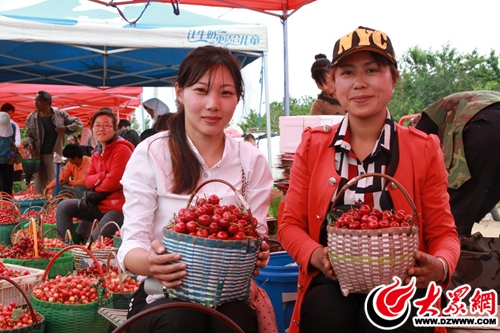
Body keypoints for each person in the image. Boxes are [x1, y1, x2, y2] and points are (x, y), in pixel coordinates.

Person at [277, 26, 461, 333]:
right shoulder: (312, 146)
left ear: (393, 78)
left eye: (372, 70)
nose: (360, 83)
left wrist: (440, 266)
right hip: (333, 281)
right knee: (325, 314)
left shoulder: (423, 148)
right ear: (333, 84)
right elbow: (289, 225)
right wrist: (316, 254)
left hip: (401, 283)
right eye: (347, 73)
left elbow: (444, 233)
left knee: (394, 319)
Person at [117, 45, 274, 333]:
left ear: (237, 99)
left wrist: (256, 253)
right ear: (179, 92)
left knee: (235, 321)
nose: (213, 104)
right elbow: (130, 246)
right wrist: (153, 264)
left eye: (226, 93)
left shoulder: (252, 162)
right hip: (159, 295)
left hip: (228, 297)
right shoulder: (151, 153)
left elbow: (255, 234)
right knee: (183, 319)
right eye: (201, 90)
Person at [412, 91, 500, 235]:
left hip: (486, 127)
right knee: (495, 187)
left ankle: (455, 248)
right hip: (488, 121)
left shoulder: (422, 124)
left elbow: (417, 165)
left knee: (459, 199)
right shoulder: (449, 108)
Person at [56, 108, 134, 242]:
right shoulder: (97, 152)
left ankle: (87, 255)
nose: (101, 129)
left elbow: (113, 183)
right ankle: (65, 249)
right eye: (97, 125)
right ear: (92, 128)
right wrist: (104, 175)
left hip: (117, 207)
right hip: (98, 203)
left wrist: (96, 184)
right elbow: (87, 181)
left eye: (106, 125)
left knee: (93, 243)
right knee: (63, 207)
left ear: (114, 129)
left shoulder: (122, 149)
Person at [24, 91, 83, 194]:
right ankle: (41, 205)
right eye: (35, 101)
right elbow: (28, 135)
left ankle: (58, 201)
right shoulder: (31, 118)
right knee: (39, 184)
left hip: (54, 153)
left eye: (39, 101)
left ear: (48, 102)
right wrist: (29, 143)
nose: (35, 103)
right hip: (37, 155)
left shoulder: (60, 114)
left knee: (56, 180)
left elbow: (78, 123)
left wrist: (65, 129)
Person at [1, 103, 23, 181]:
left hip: (6, 157)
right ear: (10, 112)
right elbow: (17, 142)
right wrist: (11, 152)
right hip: (8, 158)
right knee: (7, 181)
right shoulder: (13, 125)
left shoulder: (13, 125)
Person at [0, 112, 16, 196]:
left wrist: (11, 151)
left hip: (7, 160)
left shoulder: (12, 127)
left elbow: (13, 142)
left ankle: (7, 204)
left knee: (7, 185)